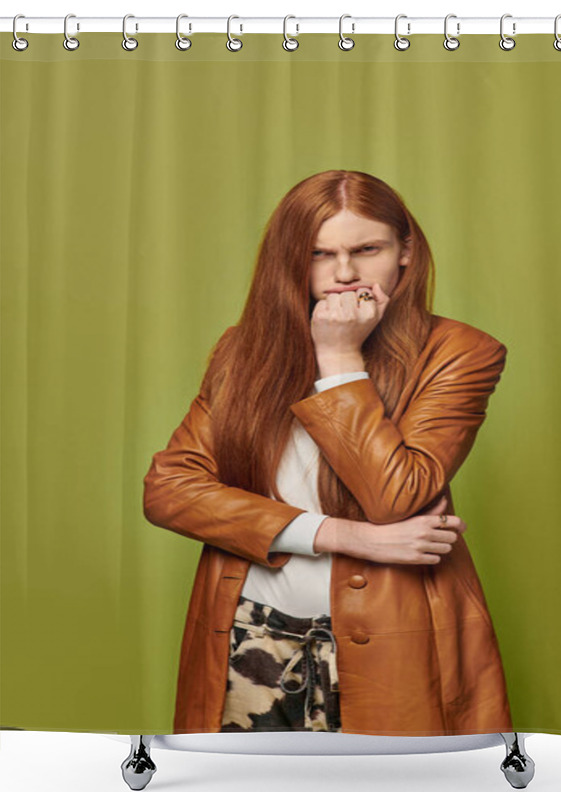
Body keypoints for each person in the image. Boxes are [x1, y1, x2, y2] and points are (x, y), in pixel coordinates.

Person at [143, 169, 514, 736]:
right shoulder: (242, 351)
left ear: (405, 252)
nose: (344, 274)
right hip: (248, 634)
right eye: (320, 253)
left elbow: (395, 498)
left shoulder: (459, 352)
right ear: (293, 259)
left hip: (392, 637)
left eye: (367, 249)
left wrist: (340, 359)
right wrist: (346, 536)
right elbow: (170, 489)